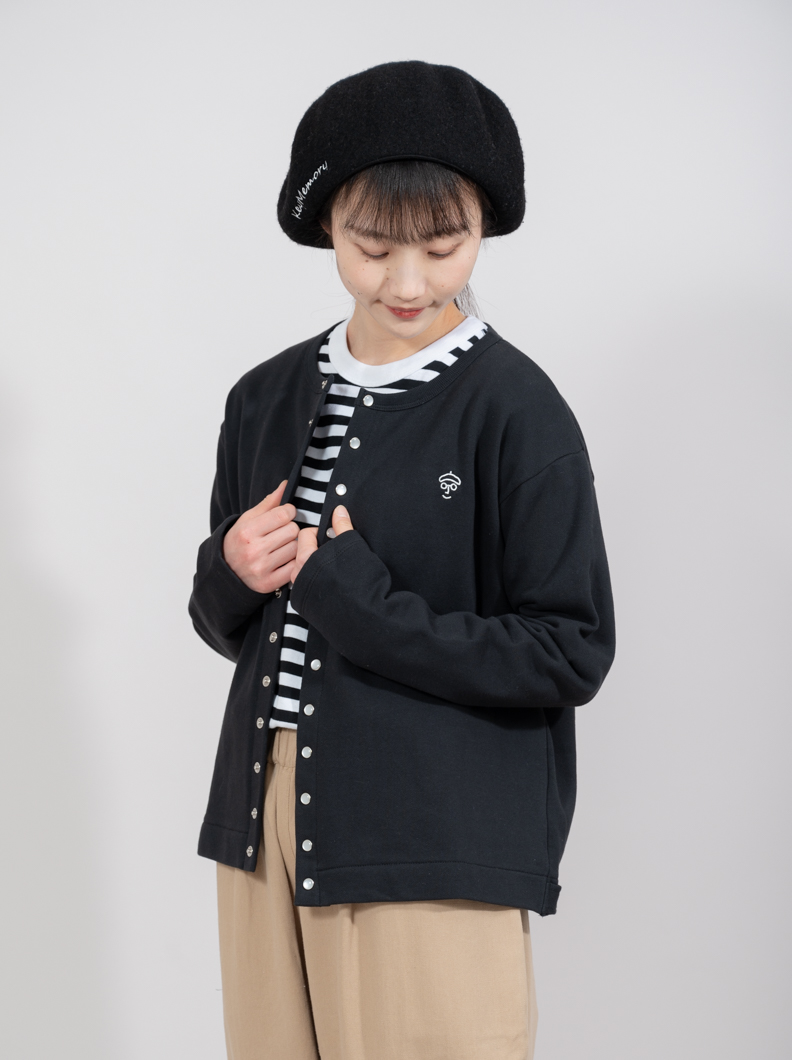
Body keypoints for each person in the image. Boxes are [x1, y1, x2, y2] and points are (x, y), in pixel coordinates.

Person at [189, 60, 615, 1060]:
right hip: (263, 819)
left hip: (428, 830)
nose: (409, 282)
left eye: (442, 245)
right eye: (373, 248)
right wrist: (229, 572)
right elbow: (226, 626)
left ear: (484, 225)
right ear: (327, 225)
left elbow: (568, 652)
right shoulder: (264, 396)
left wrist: (355, 599)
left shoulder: (516, 409)